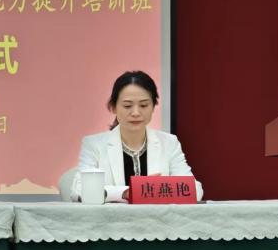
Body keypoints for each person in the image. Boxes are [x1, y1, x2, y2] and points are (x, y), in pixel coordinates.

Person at [70, 70, 203, 202]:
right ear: (114, 107)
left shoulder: (169, 143)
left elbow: (195, 190)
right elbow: (79, 190)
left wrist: (153, 189)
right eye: (127, 106)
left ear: (153, 106)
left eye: (144, 105)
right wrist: (125, 193)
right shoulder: (94, 144)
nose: (136, 113)